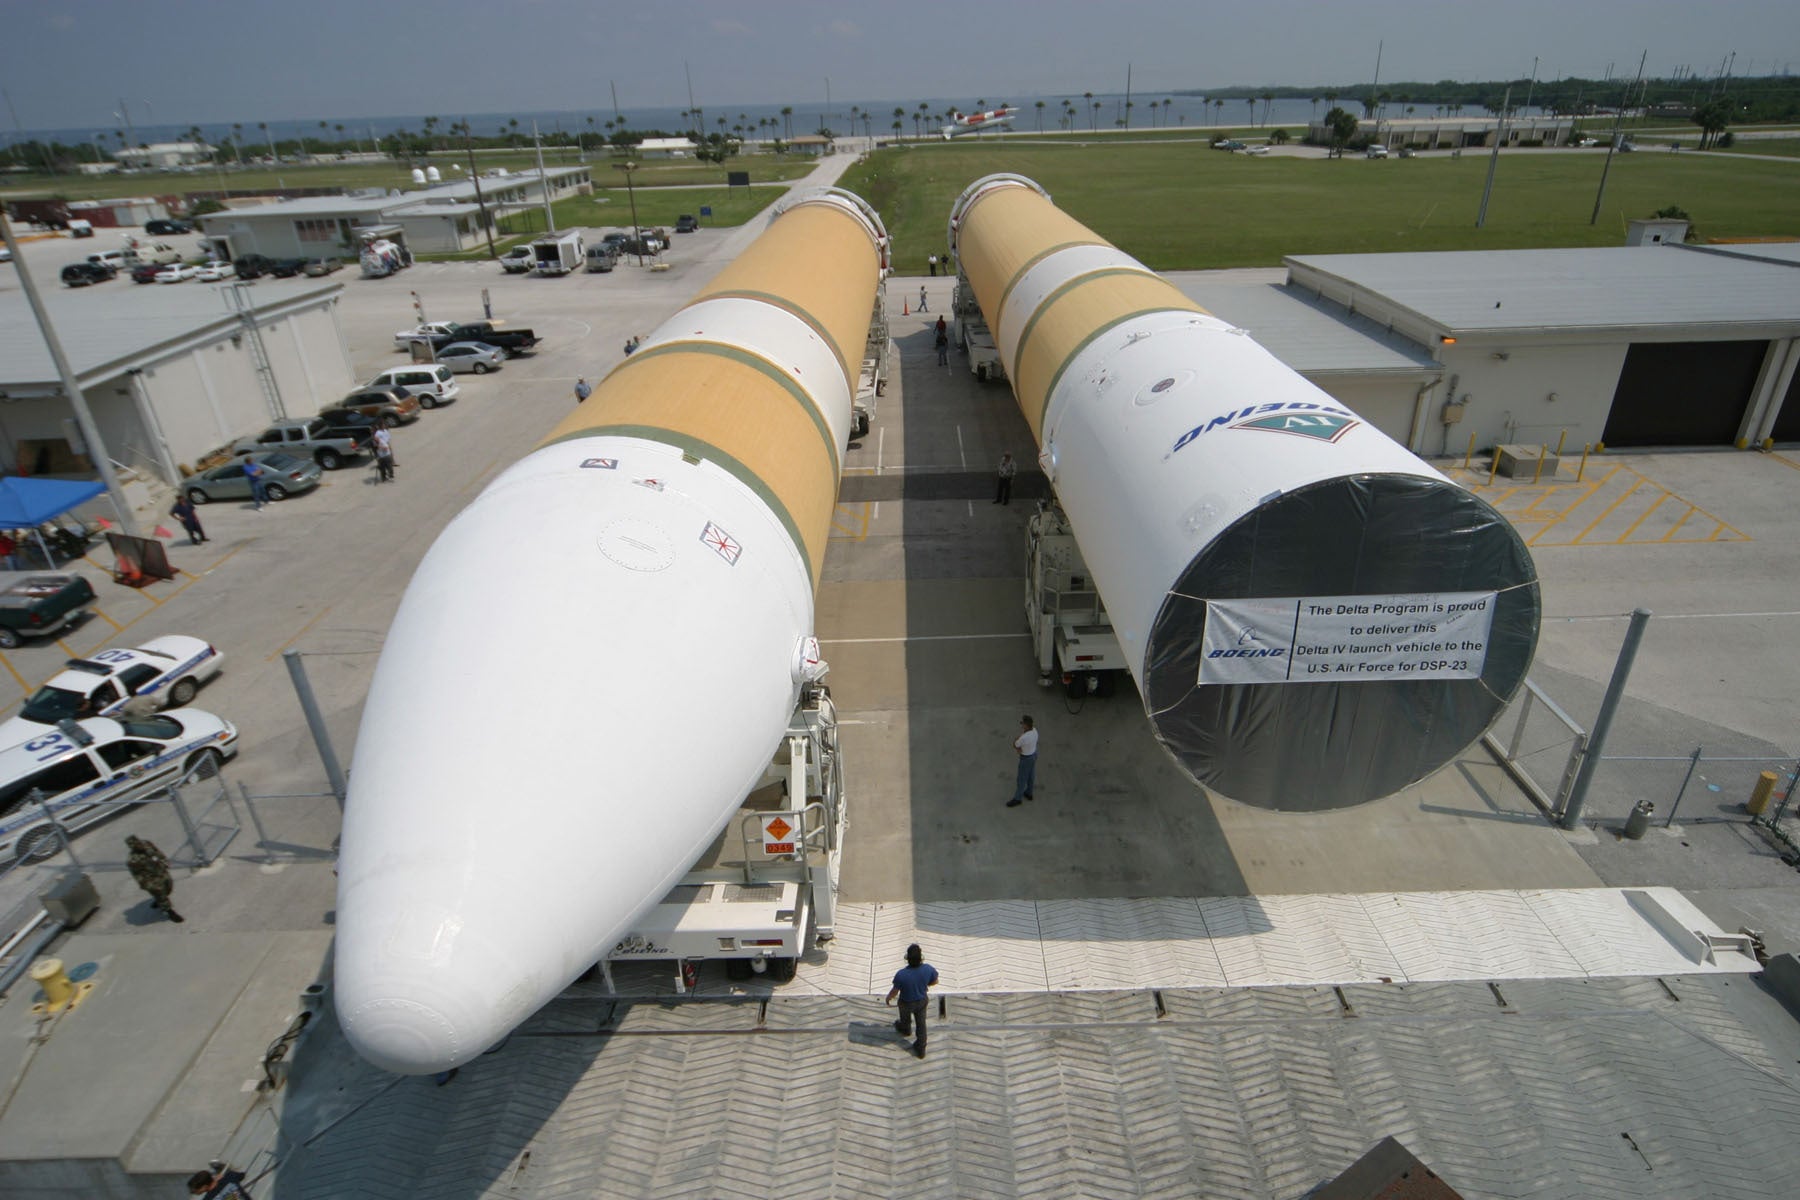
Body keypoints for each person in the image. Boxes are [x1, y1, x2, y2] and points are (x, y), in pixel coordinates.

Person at [885, 943, 938, 1059]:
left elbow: (895, 990)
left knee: (905, 1018)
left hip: (906, 1002)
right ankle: (921, 1049)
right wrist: (925, 984)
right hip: (922, 1001)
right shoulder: (928, 969)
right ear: (921, 957)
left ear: (907, 958)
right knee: (921, 1024)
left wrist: (888, 998)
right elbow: (935, 981)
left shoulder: (901, 974)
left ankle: (906, 1029)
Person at [126, 835, 184, 923]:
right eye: (136, 845)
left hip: (160, 871)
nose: (140, 845)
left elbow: (157, 852)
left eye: (139, 843)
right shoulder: (132, 860)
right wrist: (147, 885)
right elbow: (137, 875)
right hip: (151, 879)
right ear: (132, 847)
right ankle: (169, 911)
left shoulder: (147, 844)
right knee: (160, 894)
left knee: (168, 887)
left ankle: (159, 900)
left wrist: (164, 861)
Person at [1006, 715, 1038, 807]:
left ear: (1026, 725)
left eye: (1022, 723)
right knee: (1031, 775)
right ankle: (1029, 793)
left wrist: (1017, 740)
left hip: (1026, 759)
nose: (1021, 725)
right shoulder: (1035, 731)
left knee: (1021, 779)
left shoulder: (1024, 738)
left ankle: (1017, 798)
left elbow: (1015, 744)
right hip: (1034, 755)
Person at [187, 1161, 252, 1197]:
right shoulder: (230, 1177)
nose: (193, 1192)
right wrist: (223, 1177)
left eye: (195, 1190)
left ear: (204, 1187)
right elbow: (242, 1175)